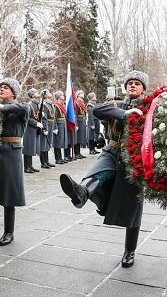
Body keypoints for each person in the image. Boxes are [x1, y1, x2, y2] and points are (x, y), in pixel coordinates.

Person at [59, 71, 148, 269]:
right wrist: (125, 114)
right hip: (112, 150)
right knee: (100, 172)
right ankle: (81, 193)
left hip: (135, 159)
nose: (132, 86)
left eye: (137, 83)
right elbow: (98, 110)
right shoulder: (116, 105)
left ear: (143, 88)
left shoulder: (149, 109)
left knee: (133, 207)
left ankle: (129, 251)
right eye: (130, 83)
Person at [0, 78, 29, 245]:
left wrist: (1, 108)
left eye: (5, 88)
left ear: (13, 92)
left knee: (8, 196)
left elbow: (21, 107)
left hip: (11, 154)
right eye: (0, 87)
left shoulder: (20, 108)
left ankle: (9, 232)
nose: (1, 90)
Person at [22, 88, 43, 173]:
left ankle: (30, 165)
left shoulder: (37, 104)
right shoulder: (29, 105)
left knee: (31, 148)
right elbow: (27, 118)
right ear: (32, 94)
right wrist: (36, 123)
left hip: (34, 129)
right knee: (28, 148)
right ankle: (26, 167)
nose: (38, 93)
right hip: (29, 129)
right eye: (36, 92)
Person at [39, 90, 56, 169]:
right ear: (45, 96)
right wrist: (45, 128)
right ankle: (43, 162)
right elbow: (43, 117)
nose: (50, 94)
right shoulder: (44, 104)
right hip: (46, 125)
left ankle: (46, 161)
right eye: (48, 93)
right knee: (43, 144)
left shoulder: (50, 103)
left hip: (51, 124)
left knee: (47, 144)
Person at [53, 91, 68, 164]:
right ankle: (57, 158)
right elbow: (54, 118)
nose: (63, 96)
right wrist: (55, 127)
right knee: (57, 142)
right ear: (58, 97)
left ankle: (61, 158)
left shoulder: (63, 105)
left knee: (62, 141)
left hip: (63, 124)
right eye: (62, 95)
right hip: (58, 125)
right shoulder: (56, 105)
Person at [74, 90, 88, 159]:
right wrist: (76, 124)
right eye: (82, 93)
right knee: (77, 138)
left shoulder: (82, 103)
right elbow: (75, 115)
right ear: (78, 95)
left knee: (80, 138)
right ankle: (76, 153)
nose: (83, 94)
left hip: (82, 120)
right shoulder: (76, 103)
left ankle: (79, 153)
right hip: (78, 121)